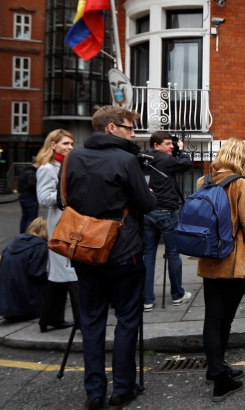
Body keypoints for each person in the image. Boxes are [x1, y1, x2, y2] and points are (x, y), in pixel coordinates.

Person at [62, 106, 157, 410]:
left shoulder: (73, 157)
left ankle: (94, 393)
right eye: (129, 128)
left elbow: (62, 196)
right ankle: (124, 389)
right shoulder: (126, 160)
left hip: (85, 250)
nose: (133, 133)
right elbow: (145, 204)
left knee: (91, 322)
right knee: (127, 320)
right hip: (123, 250)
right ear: (112, 128)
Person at [196, 138, 245, 401]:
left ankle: (218, 369)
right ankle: (219, 380)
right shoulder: (241, 184)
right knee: (225, 319)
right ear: (242, 158)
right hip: (234, 261)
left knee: (213, 317)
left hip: (209, 258)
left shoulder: (203, 181)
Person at [142, 131, 194, 312]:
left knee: (148, 255)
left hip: (147, 212)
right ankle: (177, 295)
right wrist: (182, 150)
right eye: (167, 144)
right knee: (173, 253)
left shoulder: (143, 159)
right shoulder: (164, 160)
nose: (171, 146)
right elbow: (186, 164)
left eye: (172, 144)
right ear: (156, 145)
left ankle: (147, 300)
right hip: (167, 212)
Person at [35, 128, 79, 333]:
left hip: (68, 224)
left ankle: (50, 319)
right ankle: (83, 322)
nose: (70, 147)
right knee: (71, 273)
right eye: (65, 144)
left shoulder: (65, 165)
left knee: (59, 275)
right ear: (53, 145)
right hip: (61, 226)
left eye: (71, 144)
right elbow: (43, 198)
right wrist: (69, 194)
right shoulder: (47, 168)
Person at [0, 218, 49, 321]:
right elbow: (36, 273)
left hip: (5, 303)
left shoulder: (15, 241)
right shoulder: (40, 245)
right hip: (25, 303)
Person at [17, 160, 39, 234]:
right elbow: (32, 184)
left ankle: (22, 233)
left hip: (23, 197)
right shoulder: (32, 173)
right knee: (31, 217)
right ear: (36, 163)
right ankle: (28, 234)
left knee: (25, 217)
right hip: (31, 198)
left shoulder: (24, 172)